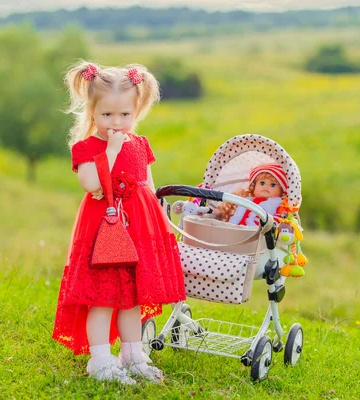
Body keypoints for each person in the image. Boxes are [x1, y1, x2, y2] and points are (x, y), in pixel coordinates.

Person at [52, 61, 186, 384]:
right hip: (103, 231)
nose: (116, 122)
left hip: (137, 230)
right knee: (102, 295)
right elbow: (90, 183)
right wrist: (110, 152)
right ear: (92, 112)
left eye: (125, 115)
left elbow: (149, 187)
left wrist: (162, 220)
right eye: (107, 115)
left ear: (136, 110)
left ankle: (132, 353)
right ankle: (100, 359)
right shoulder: (87, 147)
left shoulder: (139, 144)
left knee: (132, 295)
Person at [215, 163, 289, 226]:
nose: (266, 187)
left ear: (281, 192)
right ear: (254, 187)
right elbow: (236, 216)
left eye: (272, 185)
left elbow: (278, 220)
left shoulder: (278, 205)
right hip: (236, 231)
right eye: (262, 183)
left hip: (258, 236)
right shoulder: (246, 201)